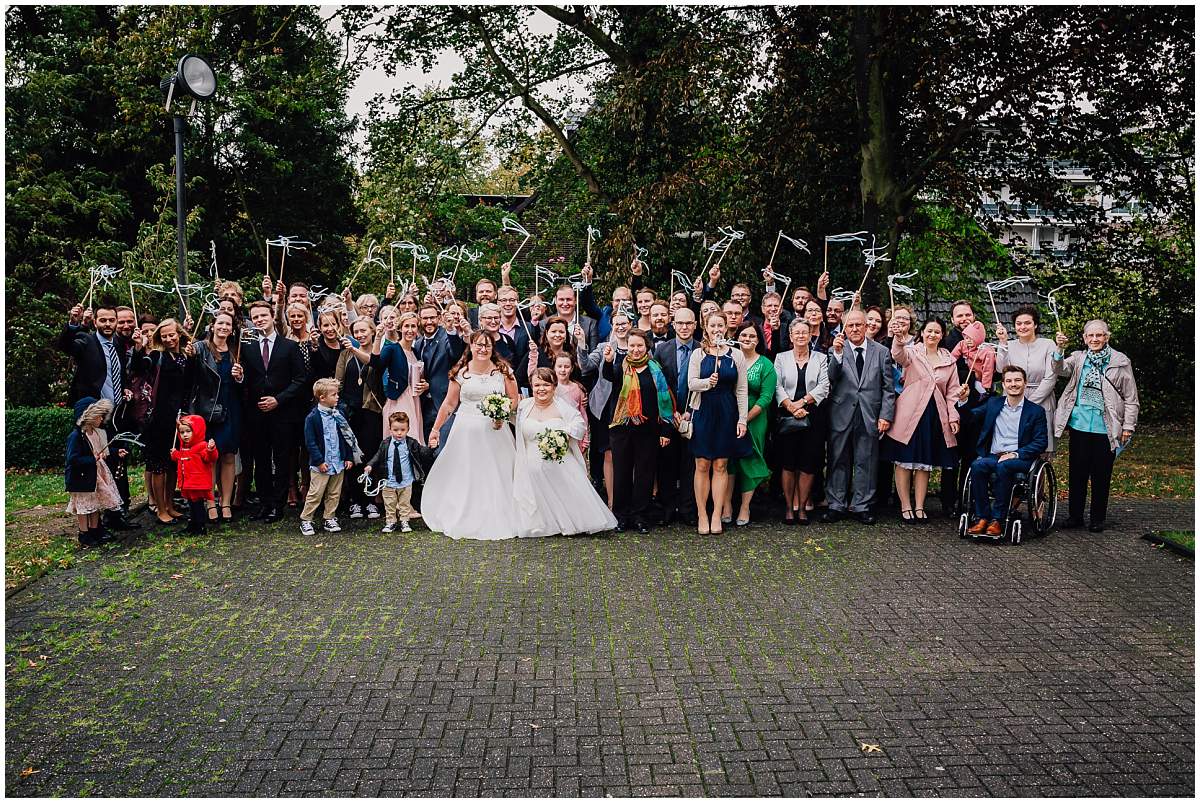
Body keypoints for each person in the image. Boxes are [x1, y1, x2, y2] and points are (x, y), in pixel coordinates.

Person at [423, 331, 524, 540]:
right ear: (471, 345)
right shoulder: (461, 371)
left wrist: (503, 413)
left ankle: (499, 513)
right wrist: (435, 430)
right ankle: (465, 512)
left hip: (496, 431)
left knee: (497, 472)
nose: (483, 349)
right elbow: (449, 404)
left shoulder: (503, 371)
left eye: (487, 346)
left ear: (492, 348)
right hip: (465, 431)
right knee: (467, 471)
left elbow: (514, 398)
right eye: (479, 345)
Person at [1052, 320, 1139, 533]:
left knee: (1101, 474)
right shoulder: (1079, 358)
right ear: (1084, 338)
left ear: (1106, 337)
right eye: (1090, 336)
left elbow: (1131, 397)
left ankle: (1098, 518)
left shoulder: (1120, 361)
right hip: (1079, 425)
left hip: (1106, 427)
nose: (1094, 339)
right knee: (1077, 473)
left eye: (1099, 335)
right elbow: (1059, 369)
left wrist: (1128, 426)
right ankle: (1075, 516)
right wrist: (1059, 349)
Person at [514, 368, 618, 536]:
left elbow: (579, 424)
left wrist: (563, 435)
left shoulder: (562, 406)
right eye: (537, 385)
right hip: (530, 465)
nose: (541, 389)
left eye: (546, 384)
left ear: (554, 387)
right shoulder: (524, 406)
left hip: (559, 462)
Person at [884, 317, 961, 522]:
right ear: (922, 332)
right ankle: (905, 505)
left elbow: (952, 392)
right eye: (929, 331)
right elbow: (898, 355)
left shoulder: (949, 360)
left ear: (942, 335)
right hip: (909, 414)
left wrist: (953, 416)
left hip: (935, 415)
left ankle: (919, 506)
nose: (932, 335)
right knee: (904, 461)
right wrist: (899, 339)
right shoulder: (913, 352)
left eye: (937, 331)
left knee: (923, 462)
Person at [824, 310, 896, 525]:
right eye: (850, 326)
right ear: (844, 328)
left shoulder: (882, 352)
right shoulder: (835, 350)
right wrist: (836, 355)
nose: (854, 329)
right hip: (841, 413)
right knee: (838, 459)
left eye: (858, 325)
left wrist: (886, 415)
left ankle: (862, 505)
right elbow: (830, 379)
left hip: (869, 414)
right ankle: (836, 504)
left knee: (867, 461)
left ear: (866, 326)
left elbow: (888, 388)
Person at [603, 329, 676, 534]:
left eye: (639, 346)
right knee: (622, 473)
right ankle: (621, 516)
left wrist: (666, 431)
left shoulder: (657, 371)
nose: (635, 350)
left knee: (645, 474)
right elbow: (609, 377)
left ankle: (640, 516)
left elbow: (665, 402)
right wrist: (608, 361)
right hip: (622, 429)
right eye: (632, 345)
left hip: (649, 430)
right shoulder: (621, 368)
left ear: (647, 347)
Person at [241, 300, 307, 523]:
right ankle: (264, 503)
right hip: (256, 412)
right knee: (260, 459)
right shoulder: (247, 348)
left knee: (281, 460)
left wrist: (278, 400)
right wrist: (240, 378)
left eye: (263, 316)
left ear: (272, 317)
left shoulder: (289, 346)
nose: (260, 320)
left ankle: (278, 506)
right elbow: (246, 381)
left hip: (283, 412)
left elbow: (300, 379)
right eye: (255, 317)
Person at [964, 365, 1049, 535]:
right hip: (994, 456)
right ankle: (982, 517)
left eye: (1018, 380)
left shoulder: (1036, 411)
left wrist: (1015, 454)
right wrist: (964, 400)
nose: (1013, 384)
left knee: (1005, 466)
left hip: (1021, 458)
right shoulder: (993, 404)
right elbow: (970, 417)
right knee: (977, 466)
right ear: (1003, 384)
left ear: (1025, 383)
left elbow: (1041, 442)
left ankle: (998, 520)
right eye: (1009, 381)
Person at [687, 313, 749, 535]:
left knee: (721, 465)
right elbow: (691, 383)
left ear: (726, 328)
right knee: (702, 464)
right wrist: (707, 382)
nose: (717, 329)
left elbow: (741, 390)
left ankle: (717, 514)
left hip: (726, 411)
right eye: (712, 325)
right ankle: (702, 514)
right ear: (705, 328)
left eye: (720, 325)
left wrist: (742, 419)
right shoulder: (698, 354)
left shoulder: (736, 355)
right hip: (703, 410)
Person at [129, 318, 192, 525]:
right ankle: (161, 509)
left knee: (173, 464)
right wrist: (139, 347)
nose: (168, 339)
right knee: (158, 465)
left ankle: (171, 504)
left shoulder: (185, 355)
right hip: (158, 419)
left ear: (179, 334)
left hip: (179, 417)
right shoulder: (156, 356)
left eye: (171, 335)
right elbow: (139, 368)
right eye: (164, 336)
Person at [773, 320, 832, 524]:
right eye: (796, 332)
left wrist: (802, 403)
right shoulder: (781, 358)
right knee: (788, 463)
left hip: (813, 416)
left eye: (804, 333)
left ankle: (803, 507)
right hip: (787, 417)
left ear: (810, 336)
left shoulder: (821, 358)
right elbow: (777, 385)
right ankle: (789, 507)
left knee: (808, 463)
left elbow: (824, 386)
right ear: (790, 336)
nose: (800, 336)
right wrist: (791, 406)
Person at [187, 311, 243, 525]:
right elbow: (191, 376)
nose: (224, 327)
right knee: (209, 458)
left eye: (228, 324)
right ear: (212, 326)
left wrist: (240, 377)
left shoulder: (236, 349)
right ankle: (210, 503)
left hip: (231, 407)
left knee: (228, 456)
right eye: (220, 323)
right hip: (207, 409)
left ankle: (225, 502)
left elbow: (241, 382)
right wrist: (190, 355)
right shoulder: (200, 348)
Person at [579, 310, 634, 506]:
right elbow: (585, 367)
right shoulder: (603, 347)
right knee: (609, 453)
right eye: (616, 323)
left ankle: (629, 499)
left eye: (624, 323)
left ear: (630, 324)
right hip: (604, 407)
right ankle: (611, 501)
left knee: (629, 453)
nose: (620, 326)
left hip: (630, 407)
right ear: (611, 325)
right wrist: (581, 344)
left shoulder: (637, 347)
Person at [653, 307, 699, 525]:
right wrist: (671, 413)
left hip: (694, 415)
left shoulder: (702, 350)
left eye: (688, 323)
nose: (684, 327)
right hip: (668, 416)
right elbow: (659, 386)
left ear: (695, 324)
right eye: (680, 323)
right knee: (667, 464)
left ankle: (688, 510)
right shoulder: (662, 350)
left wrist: (689, 411)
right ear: (673, 324)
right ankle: (668, 509)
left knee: (690, 465)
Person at [337, 318, 385, 520]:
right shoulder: (345, 354)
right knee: (352, 456)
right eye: (356, 332)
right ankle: (355, 501)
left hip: (371, 410)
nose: (359, 335)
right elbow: (338, 381)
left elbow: (375, 366)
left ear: (372, 331)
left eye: (363, 331)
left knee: (370, 454)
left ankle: (371, 499)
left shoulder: (378, 351)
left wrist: (356, 349)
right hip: (349, 410)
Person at [300, 378, 362, 535]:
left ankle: (330, 517)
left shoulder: (339, 414)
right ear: (322, 398)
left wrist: (348, 457)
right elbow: (311, 443)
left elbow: (345, 437)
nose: (337, 397)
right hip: (321, 464)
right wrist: (319, 461)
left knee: (334, 493)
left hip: (337, 462)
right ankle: (306, 519)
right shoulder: (312, 418)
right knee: (316, 493)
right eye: (334, 395)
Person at [730, 321, 777, 526]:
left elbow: (766, 397)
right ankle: (726, 506)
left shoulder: (765, 364)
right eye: (743, 335)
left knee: (749, 458)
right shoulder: (728, 359)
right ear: (737, 337)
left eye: (751, 336)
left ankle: (744, 507)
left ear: (759, 340)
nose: (747, 339)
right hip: (728, 418)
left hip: (754, 418)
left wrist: (745, 418)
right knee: (728, 460)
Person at [995, 305, 1059, 454]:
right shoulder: (1008, 345)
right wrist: (1003, 342)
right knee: (1012, 444)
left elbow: (1051, 376)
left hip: (1042, 399)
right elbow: (1000, 369)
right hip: (1013, 401)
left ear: (1035, 325)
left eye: (1027, 323)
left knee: (1040, 446)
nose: (1023, 327)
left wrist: (1030, 404)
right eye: (1019, 323)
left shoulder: (1048, 344)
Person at [362, 411, 438, 533]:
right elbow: (378, 455)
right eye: (396, 429)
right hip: (388, 480)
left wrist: (431, 448)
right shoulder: (385, 443)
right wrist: (370, 465)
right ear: (390, 429)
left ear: (408, 429)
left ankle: (404, 521)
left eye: (402, 430)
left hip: (406, 480)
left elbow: (422, 453)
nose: (399, 433)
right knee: (389, 503)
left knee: (404, 503)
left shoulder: (411, 443)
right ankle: (391, 522)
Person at [65, 397, 123, 546]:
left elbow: (104, 450)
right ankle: (84, 533)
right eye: (99, 415)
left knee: (95, 503)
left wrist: (116, 452)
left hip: (96, 474)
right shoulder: (76, 437)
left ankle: (95, 529)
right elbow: (73, 459)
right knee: (84, 506)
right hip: (82, 477)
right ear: (88, 416)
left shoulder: (97, 433)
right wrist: (92, 459)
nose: (102, 419)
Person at [413, 304, 466, 443]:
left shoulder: (447, 337)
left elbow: (456, 354)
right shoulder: (418, 344)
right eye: (425, 318)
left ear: (439, 318)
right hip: (423, 403)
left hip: (444, 401)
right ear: (419, 319)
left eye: (432, 318)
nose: (429, 322)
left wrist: (451, 330)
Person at [375, 311, 428, 445]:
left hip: (414, 399)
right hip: (399, 399)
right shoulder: (392, 348)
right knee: (402, 438)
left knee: (414, 439)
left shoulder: (415, 351)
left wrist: (425, 385)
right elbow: (376, 364)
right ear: (400, 328)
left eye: (413, 326)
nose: (410, 330)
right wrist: (377, 338)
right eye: (406, 326)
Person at [171, 414, 219, 534]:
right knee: (191, 504)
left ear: (197, 431)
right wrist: (175, 454)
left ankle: (200, 526)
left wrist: (210, 450)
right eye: (182, 432)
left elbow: (209, 458)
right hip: (188, 482)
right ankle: (193, 524)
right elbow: (182, 458)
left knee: (197, 505)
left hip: (197, 483)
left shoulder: (202, 446)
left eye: (188, 431)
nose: (185, 435)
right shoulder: (184, 447)